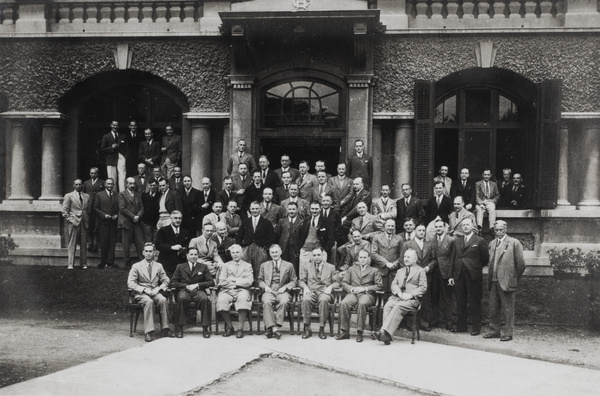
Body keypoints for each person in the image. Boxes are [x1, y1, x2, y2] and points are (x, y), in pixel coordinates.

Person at [484, 220, 525, 342]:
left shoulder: (514, 243)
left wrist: (513, 277)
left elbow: (521, 264)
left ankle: (508, 333)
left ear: (505, 229)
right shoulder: (492, 244)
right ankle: (494, 331)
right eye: (496, 230)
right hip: (493, 281)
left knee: (508, 309)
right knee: (493, 308)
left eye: (501, 230)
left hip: (507, 281)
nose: (499, 232)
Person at [375, 249, 427, 345]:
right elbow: (393, 284)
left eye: (409, 257)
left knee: (398, 306)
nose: (406, 259)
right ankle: (386, 336)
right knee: (388, 305)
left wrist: (410, 295)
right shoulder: (400, 271)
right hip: (398, 297)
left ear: (415, 259)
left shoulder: (420, 271)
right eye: (405, 257)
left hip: (411, 299)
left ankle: (384, 332)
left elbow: (423, 287)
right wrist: (399, 294)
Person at [127, 243, 171, 342]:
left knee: (163, 300)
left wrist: (158, 288)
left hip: (155, 291)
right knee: (149, 302)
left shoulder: (158, 266)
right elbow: (130, 283)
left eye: (150, 251)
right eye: (146, 251)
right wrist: (144, 290)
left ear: (154, 253)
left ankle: (165, 329)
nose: (148, 253)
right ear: (143, 253)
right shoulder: (137, 266)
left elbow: (166, 280)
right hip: (142, 293)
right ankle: (149, 332)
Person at [452, 218, 489, 335]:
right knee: (460, 301)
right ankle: (461, 326)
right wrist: (452, 275)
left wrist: (475, 267)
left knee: (475, 301)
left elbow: (485, 259)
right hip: (459, 275)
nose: (465, 227)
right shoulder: (457, 241)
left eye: (467, 224)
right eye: (463, 225)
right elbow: (454, 258)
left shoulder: (480, 240)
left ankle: (476, 327)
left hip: (473, 275)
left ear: (473, 226)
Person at [337, 250, 383, 342]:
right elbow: (344, 282)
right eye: (361, 257)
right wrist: (352, 289)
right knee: (344, 303)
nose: (362, 260)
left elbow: (379, 285)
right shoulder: (351, 269)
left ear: (368, 259)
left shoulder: (374, 270)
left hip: (367, 294)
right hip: (353, 293)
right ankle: (345, 332)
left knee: (361, 304)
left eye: (364, 257)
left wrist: (365, 289)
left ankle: (359, 332)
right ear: (358, 258)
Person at [170, 247, 215, 339]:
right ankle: (180, 328)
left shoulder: (203, 267)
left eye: (195, 254)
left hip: (198, 291)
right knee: (181, 298)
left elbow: (211, 282)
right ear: (187, 256)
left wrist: (197, 285)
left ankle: (205, 328)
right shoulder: (180, 266)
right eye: (191, 254)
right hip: (184, 291)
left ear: (198, 255)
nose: (193, 256)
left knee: (204, 299)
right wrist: (185, 286)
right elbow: (173, 282)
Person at [399, 224, 436, 330]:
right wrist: (409, 273)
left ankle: (424, 323)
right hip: (411, 277)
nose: (421, 232)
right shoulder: (408, 244)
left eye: (423, 230)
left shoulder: (429, 244)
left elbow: (434, 259)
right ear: (415, 231)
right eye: (419, 230)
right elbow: (402, 261)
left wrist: (429, 267)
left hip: (425, 276)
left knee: (425, 299)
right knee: (411, 297)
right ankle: (411, 324)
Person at [258, 244, 298, 339]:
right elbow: (259, 280)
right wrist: (265, 287)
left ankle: (271, 328)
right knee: (267, 302)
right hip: (269, 290)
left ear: (280, 252)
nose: (274, 254)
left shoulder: (289, 265)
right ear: (270, 253)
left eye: (276, 252)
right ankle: (274, 329)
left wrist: (285, 287)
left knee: (284, 302)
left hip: (282, 290)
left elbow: (294, 280)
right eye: (272, 252)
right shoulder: (264, 265)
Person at [298, 248, 338, 339]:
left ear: (323, 255)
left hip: (324, 292)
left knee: (324, 300)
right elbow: (301, 281)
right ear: (312, 256)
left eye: (319, 255)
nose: (317, 257)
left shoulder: (331, 267)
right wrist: (305, 288)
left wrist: (330, 287)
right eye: (314, 255)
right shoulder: (307, 266)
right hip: (311, 291)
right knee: (305, 299)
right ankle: (307, 328)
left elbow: (337, 282)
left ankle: (321, 328)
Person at [216, 244, 254, 338]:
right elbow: (221, 281)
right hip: (227, 290)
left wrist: (234, 281)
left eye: (237, 252)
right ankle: (230, 327)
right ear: (230, 254)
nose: (235, 254)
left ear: (241, 254)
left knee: (242, 300)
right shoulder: (226, 265)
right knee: (221, 301)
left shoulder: (247, 266)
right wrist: (236, 282)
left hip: (242, 290)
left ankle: (240, 329)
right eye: (233, 253)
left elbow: (249, 281)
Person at [237, 201, 277, 279]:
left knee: (260, 270)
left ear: (260, 209)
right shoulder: (245, 222)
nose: (255, 210)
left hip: (261, 249)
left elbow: (272, 238)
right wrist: (242, 248)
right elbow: (239, 237)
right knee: (246, 270)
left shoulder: (266, 222)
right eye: (253, 209)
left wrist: (266, 248)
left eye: (256, 208)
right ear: (250, 209)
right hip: (247, 249)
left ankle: (259, 288)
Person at [431, 219, 456, 330]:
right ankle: (434, 320)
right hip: (434, 272)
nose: (438, 229)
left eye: (440, 226)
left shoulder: (451, 240)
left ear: (445, 228)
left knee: (447, 298)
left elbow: (453, 259)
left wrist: (451, 275)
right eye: (436, 227)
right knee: (434, 297)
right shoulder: (432, 240)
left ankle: (449, 322)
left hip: (446, 272)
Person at [298, 201, 335, 271]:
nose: (314, 211)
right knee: (304, 272)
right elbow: (300, 236)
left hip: (320, 252)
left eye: (316, 209)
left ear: (320, 208)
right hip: (306, 251)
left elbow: (331, 239)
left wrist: (325, 251)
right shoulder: (306, 220)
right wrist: (301, 248)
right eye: (312, 209)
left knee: (319, 273)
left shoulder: (326, 221)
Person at [62, 179, 90, 270]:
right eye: (76, 184)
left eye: (80, 184)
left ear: (82, 185)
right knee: (72, 243)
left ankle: (84, 264)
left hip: (84, 222)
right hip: (74, 222)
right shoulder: (69, 196)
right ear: (74, 185)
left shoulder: (87, 196)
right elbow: (64, 211)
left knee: (83, 244)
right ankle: (70, 264)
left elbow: (87, 209)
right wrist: (70, 220)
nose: (78, 186)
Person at [118, 177, 146, 268]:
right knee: (126, 245)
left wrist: (138, 216)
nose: (132, 185)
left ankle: (143, 263)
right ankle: (127, 265)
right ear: (126, 184)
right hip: (126, 222)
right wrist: (133, 216)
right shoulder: (122, 194)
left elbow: (142, 207)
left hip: (136, 223)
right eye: (130, 183)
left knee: (140, 243)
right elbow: (122, 209)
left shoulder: (138, 195)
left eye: (133, 183)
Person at [370, 219, 403, 293]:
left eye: (392, 226)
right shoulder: (377, 237)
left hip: (394, 271)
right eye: (388, 226)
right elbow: (373, 253)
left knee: (393, 293)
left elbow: (402, 255)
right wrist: (386, 263)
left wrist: (394, 264)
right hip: (380, 270)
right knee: (380, 293)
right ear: (384, 226)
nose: (390, 228)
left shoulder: (399, 239)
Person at [93, 178, 119, 269]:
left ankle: (110, 262)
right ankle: (103, 262)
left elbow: (120, 208)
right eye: (108, 184)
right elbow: (95, 208)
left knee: (112, 243)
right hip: (103, 222)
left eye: (111, 184)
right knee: (104, 242)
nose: (110, 186)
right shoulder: (99, 195)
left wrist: (117, 215)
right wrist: (104, 215)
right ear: (105, 184)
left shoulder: (117, 195)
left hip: (113, 223)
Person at [155, 211, 191, 276]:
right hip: (167, 262)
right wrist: (172, 247)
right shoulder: (163, 231)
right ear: (171, 219)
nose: (178, 220)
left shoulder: (185, 232)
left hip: (181, 262)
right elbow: (158, 245)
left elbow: (188, 245)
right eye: (175, 218)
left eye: (180, 218)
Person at [98, 121, 126, 192]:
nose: (115, 127)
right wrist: (111, 148)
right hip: (110, 159)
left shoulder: (122, 136)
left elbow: (126, 148)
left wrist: (125, 156)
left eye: (117, 125)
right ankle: (113, 194)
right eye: (114, 125)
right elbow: (101, 150)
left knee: (122, 177)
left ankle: (122, 194)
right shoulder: (106, 136)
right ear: (111, 125)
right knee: (112, 178)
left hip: (121, 158)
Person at [275, 202, 302, 275]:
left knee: (294, 267)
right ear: (287, 210)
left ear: (297, 210)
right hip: (284, 248)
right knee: (283, 267)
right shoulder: (282, 221)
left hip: (295, 249)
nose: (291, 211)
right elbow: (277, 235)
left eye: (293, 209)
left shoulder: (302, 221)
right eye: (290, 209)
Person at [82, 167, 104, 252]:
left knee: (96, 225)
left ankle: (95, 243)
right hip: (88, 207)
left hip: (98, 206)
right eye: (91, 173)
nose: (93, 175)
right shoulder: (86, 183)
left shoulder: (102, 182)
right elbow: (83, 194)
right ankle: (89, 242)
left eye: (95, 173)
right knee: (89, 225)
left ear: (97, 174)